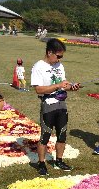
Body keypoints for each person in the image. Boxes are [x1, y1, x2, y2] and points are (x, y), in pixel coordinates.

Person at [31, 38, 81, 176]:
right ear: (49, 52)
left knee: (62, 134)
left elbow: (65, 84)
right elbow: (39, 89)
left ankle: (59, 160)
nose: (59, 59)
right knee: (45, 135)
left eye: (61, 57)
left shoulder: (60, 66)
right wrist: (58, 86)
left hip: (61, 105)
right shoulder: (38, 67)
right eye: (58, 56)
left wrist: (72, 87)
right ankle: (41, 163)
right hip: (48, 105)